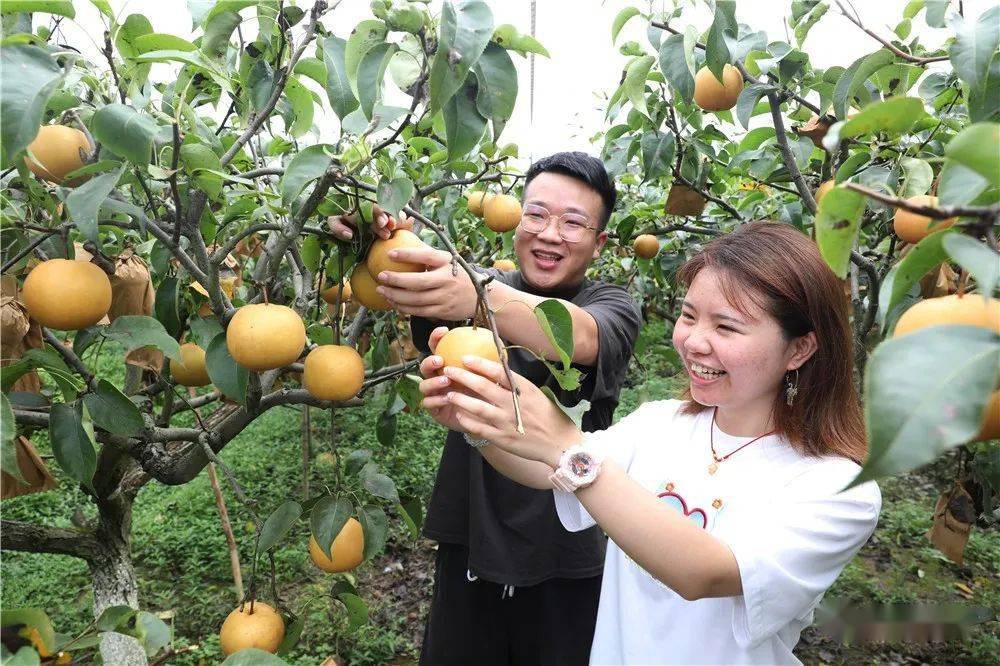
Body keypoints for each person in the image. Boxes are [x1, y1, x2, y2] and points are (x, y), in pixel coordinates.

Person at [419, 221, 882, 665]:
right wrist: (476, 425)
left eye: (726, 327)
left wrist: (565, 444)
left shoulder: (840, 486)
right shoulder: (661, 424)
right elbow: (547, 472)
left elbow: (703, 573)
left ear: (798, 349)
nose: (695, 342)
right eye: (688, 315)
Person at [328, 152, 642, 665]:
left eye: (572, 222)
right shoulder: (481, 282)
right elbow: (414, 267)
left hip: (566, 552)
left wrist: (474, 293)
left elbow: (580, 336)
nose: (549, 233)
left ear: (598, 242)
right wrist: (373, 227)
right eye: (537, 214)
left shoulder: (612, 305)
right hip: (472, 539)